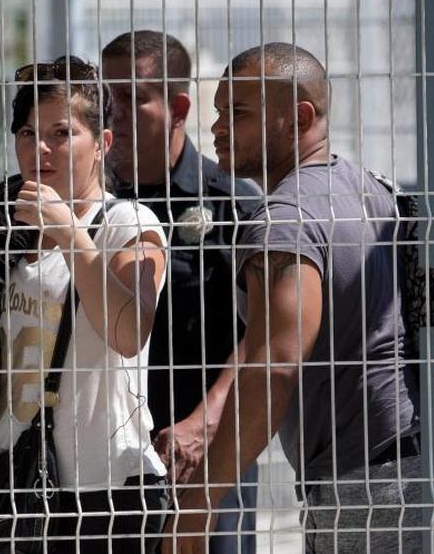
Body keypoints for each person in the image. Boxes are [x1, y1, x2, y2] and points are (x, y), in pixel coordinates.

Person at [165, 43, 422, 554]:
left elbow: (274, 366)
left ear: (298, 117)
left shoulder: (284, 220)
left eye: (238, 113)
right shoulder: (369, 190)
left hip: (363, 484)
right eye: (218, 111)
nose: (217, 128)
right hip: (410, 463)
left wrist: (201, 504)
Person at [0, 56, 170, 553]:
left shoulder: (128, 224)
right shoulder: (0, 234)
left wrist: (71, 233)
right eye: (28, 133)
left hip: (105, 492)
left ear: (102, 145)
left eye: (62, 132)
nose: (42, 148)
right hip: (12, 486)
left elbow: (129, 331)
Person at [101, 31, 260, 554]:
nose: (113, 113)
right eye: (105, 97)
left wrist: (205, 421)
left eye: (132, 97)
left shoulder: (231, 202)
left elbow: (266, 334)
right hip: (103, 458)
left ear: (178, 107)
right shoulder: (87, 208)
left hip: (204, 456)